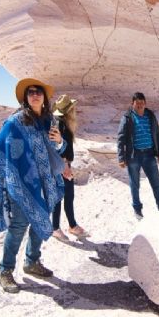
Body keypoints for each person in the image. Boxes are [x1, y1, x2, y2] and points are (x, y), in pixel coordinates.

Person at [0, 78, 67, 294]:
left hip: (45, 182)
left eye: (39, 91)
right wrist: (11, 173)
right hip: (21, 184)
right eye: (30, 92)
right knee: (18, 227)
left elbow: (57, 148)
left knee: (40, 221)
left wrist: (61, 141)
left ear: (45, 98)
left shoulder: (49, 120)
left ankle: (32, 262)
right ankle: (5, 270)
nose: (35, 95)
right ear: (26, 98)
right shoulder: (15, 122)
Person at [117, 92, 159, 219]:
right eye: (137, 103)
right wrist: (121, 157)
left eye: (142, 102)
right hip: (134, 156)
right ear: (132, 103)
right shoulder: (127, 117)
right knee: (134, 184)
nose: (140, 105)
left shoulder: (150, 115)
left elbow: (157, 134)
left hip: (149, 154)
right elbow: (121, 139)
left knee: (156, 182)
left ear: (145, 103)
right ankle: (137, 209)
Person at [50, 94, 88, 240]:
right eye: (73, 108)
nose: (75, 111)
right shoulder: (60, 123)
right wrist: (65, 166)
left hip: (61, 165)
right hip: (61, 166)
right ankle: (56, 228)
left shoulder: (60, 122)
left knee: (67, 196)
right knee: (62, 197)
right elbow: (56, 147)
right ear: (69, 111)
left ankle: (71, 226)